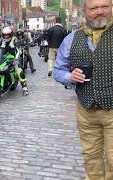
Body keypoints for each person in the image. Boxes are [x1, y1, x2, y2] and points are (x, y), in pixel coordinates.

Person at [53, 0, 113, 179]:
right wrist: (69, 77)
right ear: (84, 11)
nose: (100, 11)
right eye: (94, 8)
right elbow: (58, 70)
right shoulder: (71, 38)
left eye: (105, 6)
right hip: (86, 111)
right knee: (91, 159)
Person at [0, 27, 29, 96]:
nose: (6, 36)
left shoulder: (14, 40)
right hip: (3, 59)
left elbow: (18, 48)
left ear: (11, 34)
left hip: (13, 59)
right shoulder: (1, 40)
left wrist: (17, 55)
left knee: (19, 70)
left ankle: (25, 88)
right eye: (4, 35)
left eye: (7, 35)